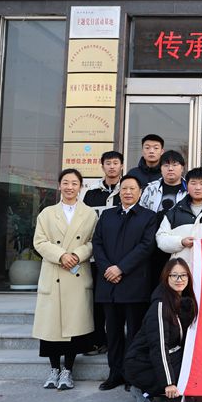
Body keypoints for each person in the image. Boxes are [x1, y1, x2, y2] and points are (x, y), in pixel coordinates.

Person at [32, 169, 98, 391]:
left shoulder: (90, 214)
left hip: (77, 273)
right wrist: (61, 255)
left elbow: (93, 241)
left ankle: (68, 370)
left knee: (73, 326)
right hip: (54, 271)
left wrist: (77, 255)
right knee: (51, 327)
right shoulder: (47, 213)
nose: (70, 187)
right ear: (59, 185)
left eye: (74, 183)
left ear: (81, 187)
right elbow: (39, 242)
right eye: (66, 183)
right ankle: (54, 369)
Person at [92, 175, 159, 391]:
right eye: (124, 188)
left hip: (134, 282)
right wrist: (108, 269)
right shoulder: (107, 215)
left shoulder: (148, 217)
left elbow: (146, 246)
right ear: (119, 192)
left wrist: (120, 268)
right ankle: (115, 374)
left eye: (132, 189)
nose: (128, 192)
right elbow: (97, 243)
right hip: (108, 283)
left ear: (140, 192)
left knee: (134, 333)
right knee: (112, 332)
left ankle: (132, 375)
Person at [124, 258, 197, 402]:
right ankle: (143, 391)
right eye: (174, 275)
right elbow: (159, 347)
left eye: (183, 275)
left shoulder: (181, 301)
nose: (179, 279)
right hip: (142, 362)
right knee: (182, 370)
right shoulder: (160, 306)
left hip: (169, 354)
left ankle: (169, 393)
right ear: (166, 277)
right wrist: (168, 382)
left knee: (195, 364)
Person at [80, 149, 124, 356]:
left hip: (120, 257)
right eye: (108, 163)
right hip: (96, 256)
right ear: (102, 166)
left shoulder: (127, 190)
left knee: (120, 302)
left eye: (116, 163)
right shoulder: (91, 193)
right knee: (96, 300)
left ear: (121, 166)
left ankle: (119, 341)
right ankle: (98, 340)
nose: (112, 167)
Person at [156, 167, 202, 265]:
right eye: (193, 183)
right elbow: (161, 239)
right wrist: (181, 242)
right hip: (181, 269)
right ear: (187, 185)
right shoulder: (174, 212)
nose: (198, 188)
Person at [139, 150, 187, 214]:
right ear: (161, 169)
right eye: (166, 165)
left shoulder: (189, 190)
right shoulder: (150, 189)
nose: (170, 169)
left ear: (182, 168)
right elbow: (141, 214)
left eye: (174, 165)